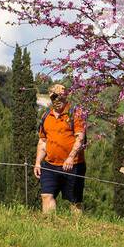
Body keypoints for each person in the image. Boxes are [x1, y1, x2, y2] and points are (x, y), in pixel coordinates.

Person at [33, 83, 87, 215]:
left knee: (75, 201)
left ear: (65, 97)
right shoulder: (46, 116)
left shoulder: (75, 113)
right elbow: (43, 141)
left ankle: (77, 229)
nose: (57, 100)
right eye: (54, 97)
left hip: (73, 165)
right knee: (46, 196)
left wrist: (70, 157)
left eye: (60, 97)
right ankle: (50, 226)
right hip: (50, 165)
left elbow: (80, 138)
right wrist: (38, 162)